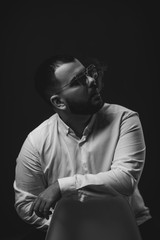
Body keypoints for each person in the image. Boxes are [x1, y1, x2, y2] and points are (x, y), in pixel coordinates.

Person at [13, 54, 152, 239]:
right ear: (59, 102)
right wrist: (69, 227)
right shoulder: (36, 142)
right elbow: (25, 204)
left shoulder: (124, 120)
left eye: (87, 73)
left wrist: (62, 186)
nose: (92, 80)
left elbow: (126, 179)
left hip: (129, 228)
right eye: (78, 81)